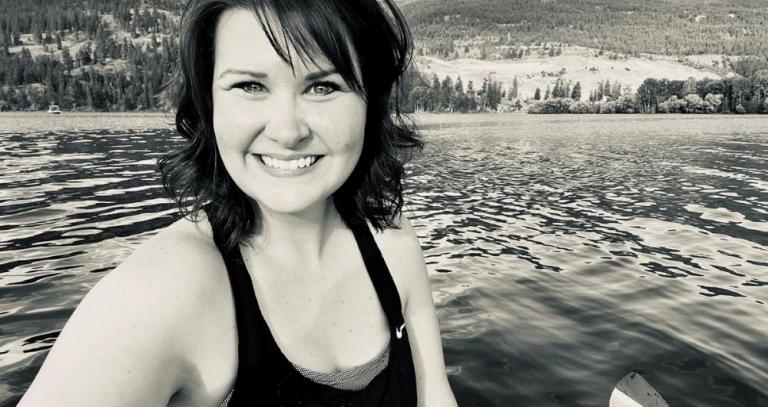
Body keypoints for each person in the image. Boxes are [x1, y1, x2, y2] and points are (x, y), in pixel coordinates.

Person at [18, 0, 457, 405]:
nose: (287, 131)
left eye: (323, 86)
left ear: (370, 102)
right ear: (208, 104)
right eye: (250, 85)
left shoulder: (393, 242)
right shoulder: (163, 290)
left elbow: (436, 396)